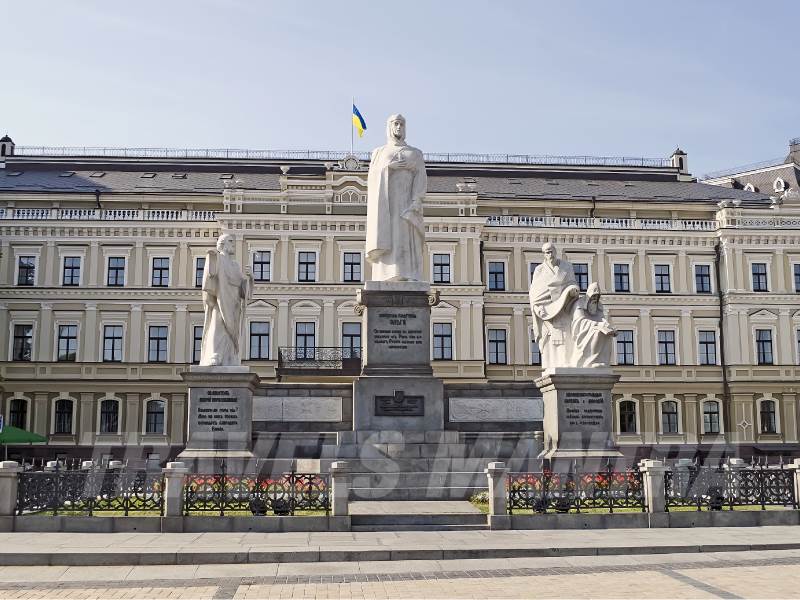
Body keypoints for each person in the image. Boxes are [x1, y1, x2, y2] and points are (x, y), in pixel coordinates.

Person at [365, 114, 427, 281]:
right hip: (387, 205)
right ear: (389, 127)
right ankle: (385, 274)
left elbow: (421, 177)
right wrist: (388, 168)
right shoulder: (379, 152)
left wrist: (416, 200)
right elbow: (371, 179)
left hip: (406, 203)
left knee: (405, 236)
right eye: (395, 124)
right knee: (389, 234)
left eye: (401, 124)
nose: (398, 127)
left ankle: (408, 273)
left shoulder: (414, 153)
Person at [199, 234, 252, 366]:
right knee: (218, 326)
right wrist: (211, 260)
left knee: (230, 333)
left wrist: (250, 278)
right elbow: (209, 277)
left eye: (233, 242)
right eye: (230, 241)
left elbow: (243, 290)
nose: (233, 244)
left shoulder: (235, 266)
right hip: (220, 299)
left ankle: (228, 358)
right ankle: (215, 354)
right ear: (222, 244)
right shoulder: (217, 259)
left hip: (234, 304)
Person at [529, 242, 580, 369]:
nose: (550, 254)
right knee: (549, 338)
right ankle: (550, 365)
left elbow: (573, 283)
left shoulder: (566, 267)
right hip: (546, 310)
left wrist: (573, 290)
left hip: (563, 306)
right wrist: (536, 307)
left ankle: (566, 363)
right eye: (547, 252)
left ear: (556, 252)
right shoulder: (539, 270)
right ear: (544, 255)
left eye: (551, 251)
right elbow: (535, 292)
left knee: (565, 337)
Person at [571, 282, 616, 368]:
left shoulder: (598, 306)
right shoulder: (579, 304)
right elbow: (579, 321)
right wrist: (597, 325)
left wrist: (608, 326)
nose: (595, 299)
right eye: (593, 296)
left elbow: (601, 318)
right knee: (597, 333)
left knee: (607, 334)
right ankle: (591, 361)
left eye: (597, 296)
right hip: (582, 332)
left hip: (594, 328)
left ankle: (602, 361)